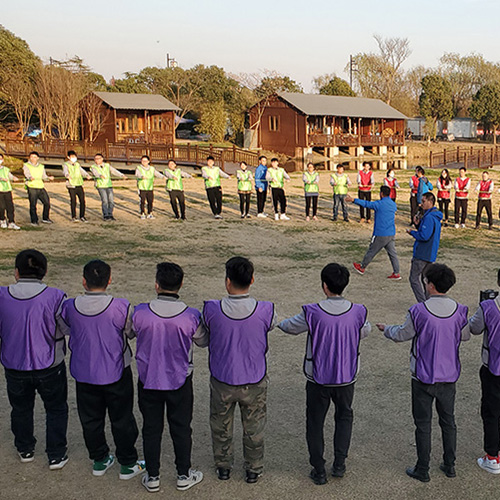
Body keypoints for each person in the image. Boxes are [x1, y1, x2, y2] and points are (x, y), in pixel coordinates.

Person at [278, 263, 370, 485]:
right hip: (346, 376)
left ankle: (318, 469)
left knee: (315, 421)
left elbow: (290, 327)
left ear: (324, 285)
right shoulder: (358, 311)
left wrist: (277, 323)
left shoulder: (312, 312)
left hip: (318, 377)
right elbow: (364, 331)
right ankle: (339, 464)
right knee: (344, 417)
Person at [376, 263, 469, 482]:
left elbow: (402, 334)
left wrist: (386, 329)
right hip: (449, 375)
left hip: (423, 375)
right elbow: (465, 335)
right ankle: (450, 465)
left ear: (431, 285)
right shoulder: (460, 310)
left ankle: (423, 468)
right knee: (448, 422)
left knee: (423, 423)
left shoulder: (419, 311)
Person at [59, 260, 143, 480]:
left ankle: (99, 459)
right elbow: (130, 332)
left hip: (84, 371)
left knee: (90, 419)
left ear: (84, 281)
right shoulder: (121, 306)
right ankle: (128, 462)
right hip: (116, 370)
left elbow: (65, 328)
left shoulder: (69, 306)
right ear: (109, 280)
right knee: (122, 418)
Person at [201, 257, 276, 484]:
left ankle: (223, 466)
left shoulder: (211, 309)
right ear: (252, 280)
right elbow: (271, 324)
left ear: (227, 281)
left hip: (222, 378)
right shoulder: (265, 309)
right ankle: (253, 468)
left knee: (220, 425)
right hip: (254, 379)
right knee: (254, 427)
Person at [132, 262, 205, 492]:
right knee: (181, 427)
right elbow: (202, 340)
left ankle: (152, 476)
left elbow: (130, 332)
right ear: (181, 284)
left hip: (149, 379)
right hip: (180, 380)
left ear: (156, 285)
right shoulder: (191, 315)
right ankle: (183, 474)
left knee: (151, 428)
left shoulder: (140, 312)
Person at [0, 249, 68, 469]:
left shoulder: (2, 295)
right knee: (56, 408)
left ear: (16, 272)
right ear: (44, 271)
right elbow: (66, 327)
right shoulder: (56, 296)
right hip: (50, 363)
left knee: (20, 408)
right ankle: (56, 454)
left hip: (14, 364)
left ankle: (25, 448)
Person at [469, 270, 500, 474]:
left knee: (491, 412)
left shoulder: (489, 306)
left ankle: (492, 457)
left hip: (494, 368)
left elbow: (475, 328)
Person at [348, 186, 401, 280]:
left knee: (372, 251)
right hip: (391, 233)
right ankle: (396, 273)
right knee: (393, 254)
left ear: (381, 194)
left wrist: (353, 200)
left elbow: (366, 204)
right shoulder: (393, 204)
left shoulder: (379, 204)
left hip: (380, 233)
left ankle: (362, 267)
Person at [407, 192, 442, 302]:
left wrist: (412, 232)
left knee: (414, 279)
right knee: (425, 279)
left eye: (423, 201)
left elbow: (424, 236)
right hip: (430, 253)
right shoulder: (434, 216)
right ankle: (429, 301)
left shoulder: (429, 218)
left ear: (430, 202)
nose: (421, 204)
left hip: (422, 253)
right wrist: (418, 225)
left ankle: (423, 303)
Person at [91, 153, 126, 221]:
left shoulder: (107, 165)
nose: (97, 160)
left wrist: (121, 175)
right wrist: (99, 176)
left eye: (98, 159)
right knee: (105, 200)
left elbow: (114, 171)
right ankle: (106, 215)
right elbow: (95, 173)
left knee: (111, 201)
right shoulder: (93, 167)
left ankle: (110, 214)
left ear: (102, 159)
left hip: (108, 185)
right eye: (95, 159)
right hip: (100, 185)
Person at [23, 151, 54, 226]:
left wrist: (48, 178)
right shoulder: (26, 165)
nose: (33, 159)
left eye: (34, 157)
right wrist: (29, 177)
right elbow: (26, 173)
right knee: (33, 205)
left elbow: (44, 176)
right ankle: (34, 220)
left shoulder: (41, 166)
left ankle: (45, 218)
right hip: (32, 187)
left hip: (40, 186)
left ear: (38, 158)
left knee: (47, 202)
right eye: (31, 157)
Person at [62, 150, 92, 223]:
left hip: (79, 184)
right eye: (72, 157)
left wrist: (87, 175)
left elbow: (82, 171)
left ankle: (82, 216)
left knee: (82, 201)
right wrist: (67, 175)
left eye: (74, 156)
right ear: (68, 157)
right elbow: (65, 171)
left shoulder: (77, 164)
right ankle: (74, 216)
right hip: (71, 185)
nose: (74, 158)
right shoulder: (66, 164)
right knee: (73, 201)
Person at [135, 155, 165, 219]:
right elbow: (137, 174)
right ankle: (142, 213)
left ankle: (150, 213)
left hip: (150, 187)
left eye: (145, 161)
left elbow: (157, 173)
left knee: (150, 201)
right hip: (142, 187)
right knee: (142, 201)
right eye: (143, 161)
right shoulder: (138, 168)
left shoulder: (152, 168)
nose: (144, 162)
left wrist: (162, 177)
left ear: (148, 161)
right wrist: (141, 176)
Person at [0, 153, 21, 230]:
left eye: (0, 159)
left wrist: (14, 178)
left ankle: (11, 222)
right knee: (1, 207)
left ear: (2, 160)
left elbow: (10, 176)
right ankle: (2, 220)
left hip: (7, 190)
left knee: (10, 207)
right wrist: (1, 179)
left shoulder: (6, 169)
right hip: (0, 191)